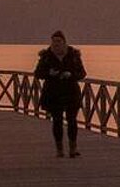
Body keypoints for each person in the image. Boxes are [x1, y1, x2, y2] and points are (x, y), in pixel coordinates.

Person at [33, 30, 86, 158]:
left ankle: (73, 148)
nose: (56, 44)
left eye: (58, 41)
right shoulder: (46, 56)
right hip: (53, 93)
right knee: (57, 121)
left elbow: (82, 73)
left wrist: (71, 75)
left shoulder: (73, 55)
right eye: (54, 41)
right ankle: (59, 149)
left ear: (64, 42)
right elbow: (38, 73)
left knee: (72, 120)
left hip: (71, 92)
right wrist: (49, 74)